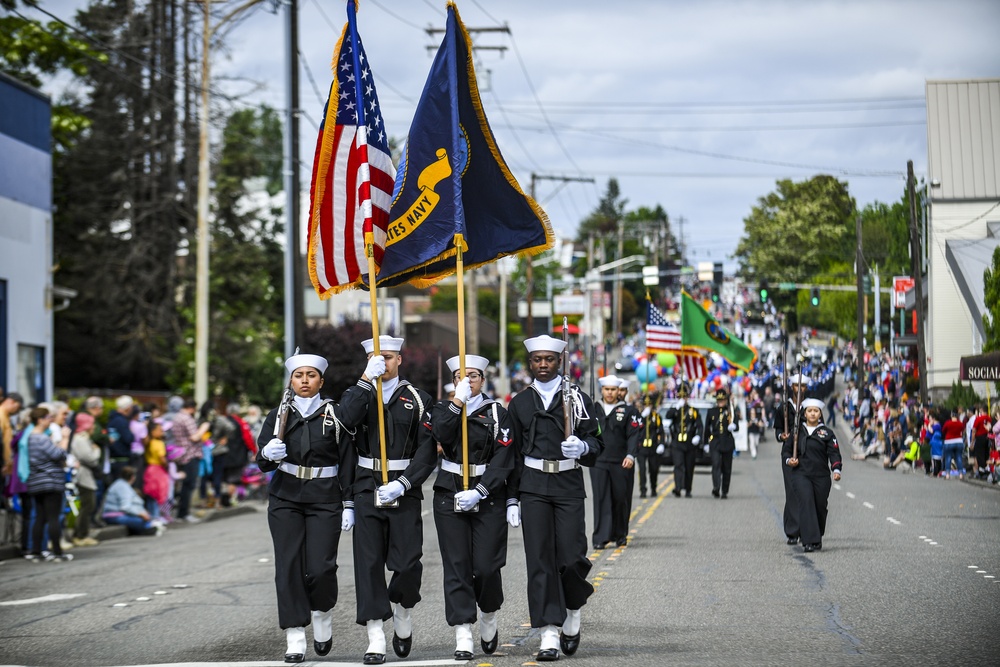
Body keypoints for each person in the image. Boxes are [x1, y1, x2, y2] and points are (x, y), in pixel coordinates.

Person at [256, 351, 373, 664]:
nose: (304, 381)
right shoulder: (279, 415)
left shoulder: (334, 414)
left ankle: (322, 613)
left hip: (325, 496)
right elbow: (261, 461)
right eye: (298, 376)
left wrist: (349, 502)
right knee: (288, 566)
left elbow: (348, 460)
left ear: (321, 380)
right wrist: (269, 452)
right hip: (285, 497)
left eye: (310, 376)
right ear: (291, 381)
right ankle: (295, 632)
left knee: (321, 567)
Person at [506, 334, 603, 662]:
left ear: (560, 361)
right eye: (537, 360)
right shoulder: (519, 403)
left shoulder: (578, 398)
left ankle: (573, 609)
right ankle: (548, 632)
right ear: (530, 363)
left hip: (568, 483)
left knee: (572, 557)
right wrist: (512, 499)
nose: (543, 365)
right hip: (533, 485)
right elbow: (512, 457)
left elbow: (597, 444)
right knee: (540, 560)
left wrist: (584, 447)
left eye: (549, 359)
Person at [345, 335, 436, 666]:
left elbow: (427, 450)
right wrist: (365, 380)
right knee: (368, 564)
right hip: (367, 486)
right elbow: (346, 420)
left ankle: (402, 611)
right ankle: (375, 635)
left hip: (403, 488)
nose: (383, 362)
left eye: (388, 356)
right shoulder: (358, 393)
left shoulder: (418, 398)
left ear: (400, 359)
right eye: (375, 357)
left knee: (408, 562)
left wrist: (404, 482)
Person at [431, 354, 518, 660]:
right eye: (458, 376)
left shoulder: (497, 412)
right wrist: (457, 403)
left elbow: (504, 457)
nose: (465, 381)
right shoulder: (443, 408)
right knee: (457, 566)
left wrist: (482, 491)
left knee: (486, 566)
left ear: (484, 379)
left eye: (472, 376)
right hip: (450, 492)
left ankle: (489, 613)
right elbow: (439, 435)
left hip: (487, 494)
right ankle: (463, 630)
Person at [783, 398, 842, 553]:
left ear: (820, 413)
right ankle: (808, 541)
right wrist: (790, 460)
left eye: (816, 411)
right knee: (806, 502)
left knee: (819, 507)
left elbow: (834, 453)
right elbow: (786, 451)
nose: (813, 414)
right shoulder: (797, 432)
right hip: (801, 474)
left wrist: (836, 470)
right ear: (805, 413)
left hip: (821, 476)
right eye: (810, 411)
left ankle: (817, 536)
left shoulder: (827, 433)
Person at [590, 375, 641, 549]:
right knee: (601, 499)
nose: (610, 393)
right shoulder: (592, 409)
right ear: (602, 390)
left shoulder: (628, 411)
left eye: (613, 390)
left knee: (620, 498)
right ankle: (600, 537)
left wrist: (631, 455)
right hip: (599, 461)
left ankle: (620, 534)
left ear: (618, 391)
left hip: (621, 462)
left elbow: (634, 435)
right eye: (607, 389)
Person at [25, 407, 72, 562]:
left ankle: (36, 551)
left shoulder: (31, 437)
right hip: (50, 480)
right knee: (53, 517)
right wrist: (65, 439)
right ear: (39, 420)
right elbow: (59, 454)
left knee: (40, 517)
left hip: (36, 481)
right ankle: (57, 552)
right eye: (47, 417)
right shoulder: (41, 438)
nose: (50, 420)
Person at [774, 374, 809, 545]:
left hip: (806, 454)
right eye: (796, 386)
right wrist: (782, 435)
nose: (799, 389)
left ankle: (807, 529)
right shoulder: (784, 407)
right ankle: (792, 531)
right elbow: (778, 429)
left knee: (805, 492)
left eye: (802, 386)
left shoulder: (811, 408)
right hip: (788, 453)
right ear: (792, 387)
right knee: (792, 492)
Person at [171, 398, 210, 523]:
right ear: (192, 408)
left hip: (181, 455)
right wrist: (204, 428)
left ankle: (181, 513)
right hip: (190, 455)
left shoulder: (177, 417)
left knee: (184, 485)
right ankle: (184, 513)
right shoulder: (187, 418)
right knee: (189, 485)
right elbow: (195, 437)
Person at [101, 466, 164, 536]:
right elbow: (125, 507)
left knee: (146, 518)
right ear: (133, 477)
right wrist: (140, 514)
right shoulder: (123, 487)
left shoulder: (120, 484)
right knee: (142, 521)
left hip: (116, 514)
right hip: (115, 516)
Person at [665, 381, 702, 498]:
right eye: (680, 397)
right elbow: (668, 416)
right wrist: (677, 407)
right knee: (678, 465)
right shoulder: (675, 409)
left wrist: (698, 436)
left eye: (684, 397)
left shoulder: (693, 411)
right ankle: (678, 487)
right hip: (677, 442)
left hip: (689, 441)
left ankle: (688, 488)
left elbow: (699, 425)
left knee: (689, 466)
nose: (682, 399)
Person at [69, 413, 101, 546]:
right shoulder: (81, 439)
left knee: (88, 505)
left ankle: (82, 533)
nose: (94, 426)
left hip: (84, 475)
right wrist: (97, 451)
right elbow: (90, 458)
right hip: (82, 476)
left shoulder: (83, 438)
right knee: (87, 505)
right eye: (92, 423)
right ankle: (80, 535)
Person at [706, 388, 740, 499]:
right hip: (715, 441)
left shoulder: (731, 411)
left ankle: (724, 490)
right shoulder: (711, 411)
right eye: (719, 400)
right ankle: (716, 487)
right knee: (716, 464)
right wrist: (705, 442)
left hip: (727, 441)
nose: (721, 402)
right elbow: (707, 428)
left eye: (723, 400)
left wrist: (733, 426)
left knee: (727, 468)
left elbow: (737, 426)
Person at [636, 393, 665, 498]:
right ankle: (643, 490)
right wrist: (642, 417)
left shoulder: (656, 417)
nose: (647, 406)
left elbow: (661, 432)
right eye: (645, 404)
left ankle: (653, 487)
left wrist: (661, 444)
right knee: (642, 469)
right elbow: (635, 429)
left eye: (649, 405)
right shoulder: (639, 416)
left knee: (653, 469)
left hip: (653, 447)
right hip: (641, 447)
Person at [1, 391, 24, 476]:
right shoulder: (1, 415)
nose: (17, 411)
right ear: (12, 402)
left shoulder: (6, 417)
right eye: (18, 407)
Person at [941, 411, 966, 479]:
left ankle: (947, 474)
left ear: (951, 416)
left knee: (948, 458)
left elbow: (943, 430)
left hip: (949, 441)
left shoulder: (948, 423)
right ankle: (961, 474)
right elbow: (962, 430)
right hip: (958, 441)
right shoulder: (960, 424)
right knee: (959, 457)